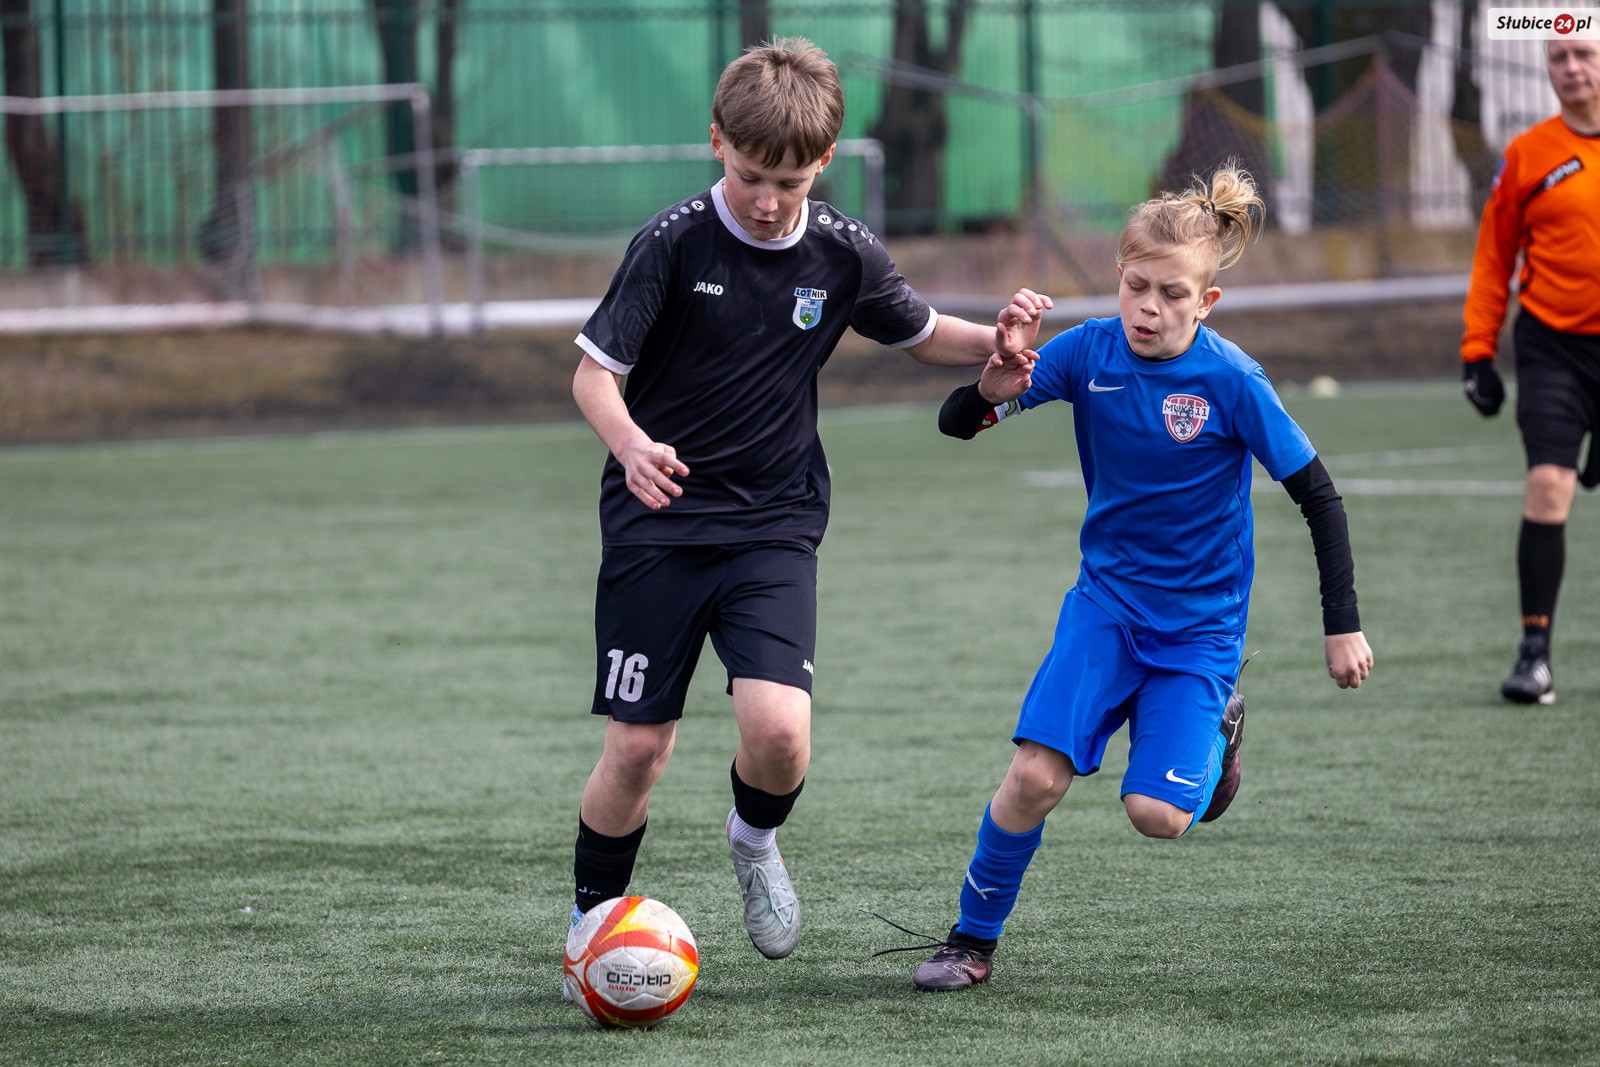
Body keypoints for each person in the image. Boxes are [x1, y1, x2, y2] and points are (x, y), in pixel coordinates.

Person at [567, 36, 1052, 963]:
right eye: (750, 175)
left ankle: (753, 838)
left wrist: (997, 344)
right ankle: (590, 927)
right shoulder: (672, 243)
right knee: (637, 749)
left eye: (788, 182)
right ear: (718, 142)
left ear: (824, 161)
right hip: (658, 524)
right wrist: (629, 445)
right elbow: (595, 376)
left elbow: (920, 332)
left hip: (774, 524)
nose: (766, 199)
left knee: (781, 734)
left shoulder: (840, 250)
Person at [906, 163, 1374, 992]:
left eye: (1171, 293)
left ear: (1207, 302)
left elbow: (1320, 497)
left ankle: (1218, 735)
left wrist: (1343, 623)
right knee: (1034, 776)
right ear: (1118, 276)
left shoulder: (1232, 380)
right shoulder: (1087, 351)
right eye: (1135, 286)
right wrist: (989, 385)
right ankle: (970, 941)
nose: (1148, 308)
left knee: (1156, 815)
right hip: (1106, 611)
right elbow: (958, 424)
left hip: (1199, 631)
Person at [1459, 36, 1600, 706]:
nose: (1571, 69)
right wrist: (1477, 351)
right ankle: (1534, 654)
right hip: (1553, 348)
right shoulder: (1528, 154)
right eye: (1558, 58)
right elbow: (1494, 257)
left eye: (1584, 55)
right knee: (1548, 484)